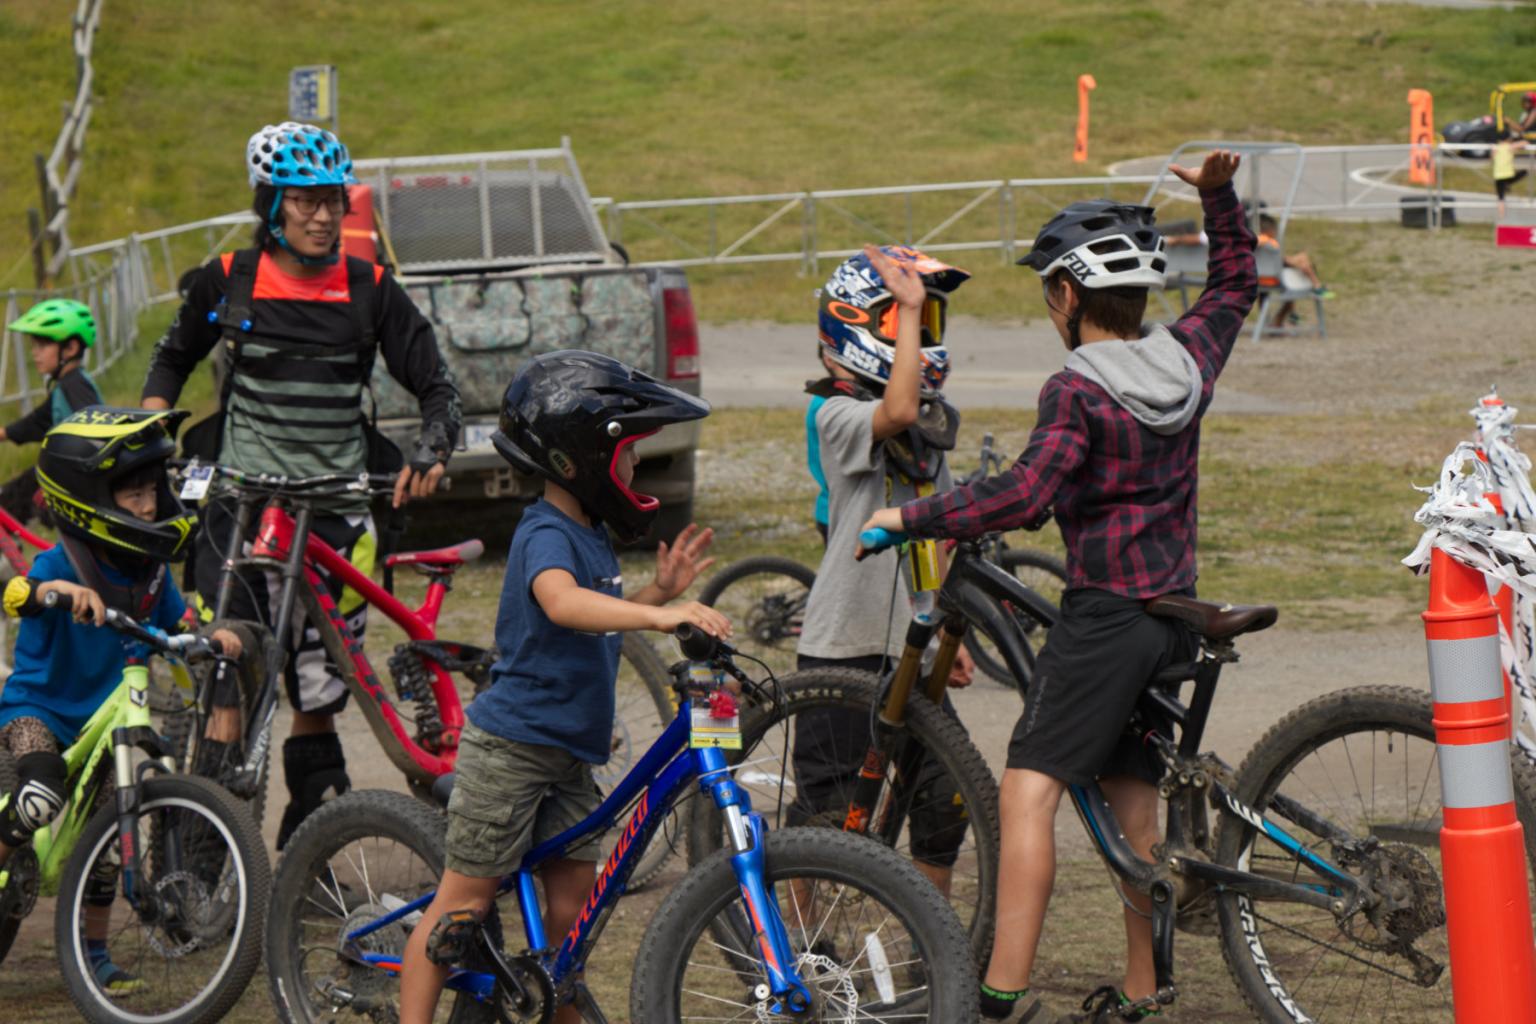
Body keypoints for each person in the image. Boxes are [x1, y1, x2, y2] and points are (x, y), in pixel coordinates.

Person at [863, 150, 1256, 1023]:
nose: (1050, 306)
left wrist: (910, 519)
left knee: (1028, 790)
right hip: (1171, 613)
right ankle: (1145, 992)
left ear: (1071, 297)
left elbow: (1026, 494)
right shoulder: (1185, 359)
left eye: (1050, 290)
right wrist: (1220, 197)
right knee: (1130, 803)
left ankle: (996, 995)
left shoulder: (1075, 391)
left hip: (1107, 617)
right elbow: (1235, 287)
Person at [139, 122, 462, 848]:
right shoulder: (229, 277)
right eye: (305, 202)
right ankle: (203, 849)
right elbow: (171, 359)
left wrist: (434, 444)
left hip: (339, 518)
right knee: (229, 671)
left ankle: (310, 835)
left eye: (333, 202)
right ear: (272, 203)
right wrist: (152, 432)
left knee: (319, 688)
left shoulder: (371, 288)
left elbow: (437, 384)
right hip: (242, 513)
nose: (322, 216)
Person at [398, 350, 730, 1024]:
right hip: (513, 750)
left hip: (571, 757)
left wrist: (656, 592)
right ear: (581, 458)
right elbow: (561, 604)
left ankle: (550, 1004)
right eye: (629, 454)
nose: (635, 468)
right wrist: (659, 613)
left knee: (572, 921)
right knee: (461, 907)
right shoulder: (545, 531)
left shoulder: (591, 530)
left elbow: (594, 616)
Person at [0, 407, 245, 997]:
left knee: (110, 843)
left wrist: (210, 633)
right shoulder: (64, 560)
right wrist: (61, 592)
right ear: (92, 499)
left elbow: (180, 619)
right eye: (132, 494)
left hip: (113, 723)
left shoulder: (153, 575)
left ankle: (96, 955)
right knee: (36, 792)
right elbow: (18, 593)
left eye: (151, 492)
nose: (146, 505)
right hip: (41, 709)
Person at [797, 243, 976, 894]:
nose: (920, 331)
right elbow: (893, 410)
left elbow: (939, 531)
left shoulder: (927, 429)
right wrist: (906, 307)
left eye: (928, 322)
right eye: (907, 321)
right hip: (845, 646)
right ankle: (802, 955)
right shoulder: (833, 413)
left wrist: (946, 631)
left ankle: (927, 962)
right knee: (827, 821)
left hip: (912, 651)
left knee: (945, 804)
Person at [0, 299, 105, 522]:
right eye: (34, 346)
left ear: (70, 348)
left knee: (8, 503)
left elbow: (98, 432)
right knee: (8, 501)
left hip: (77, 481)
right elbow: (39, 421)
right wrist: (5, 433)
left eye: (42, 346)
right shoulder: (65, 385)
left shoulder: (75, 386)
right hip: (65, 473)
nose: (35, 354)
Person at [1493, 136, 1529, 218]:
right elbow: (1525, 143)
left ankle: (1501, 217)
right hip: (1508, 175)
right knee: (1525, 171)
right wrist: (1515, 144)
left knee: (1500, 198)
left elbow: (1491, 158)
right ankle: (1507, 185)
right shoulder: (1509, 147)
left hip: (1498, 176)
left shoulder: (1495, 148)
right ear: (1508, 139)